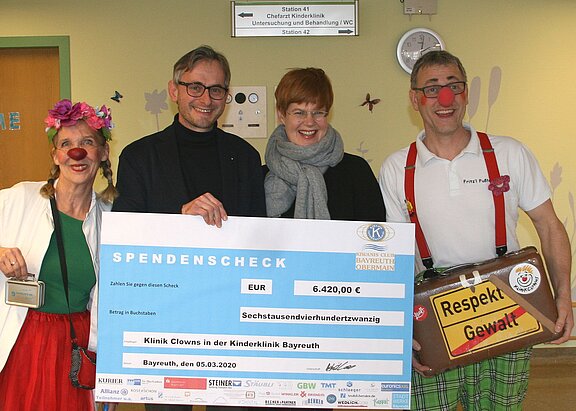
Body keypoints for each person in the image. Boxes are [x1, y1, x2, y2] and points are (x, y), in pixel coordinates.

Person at [378, 50, 573, 411]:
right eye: (432, 88)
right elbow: (394, 257)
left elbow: (548, 224)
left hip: (507, 306)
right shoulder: (395, 168)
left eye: (454, 86)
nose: (445, 98)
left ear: (465, 93)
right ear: (415, 99)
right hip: (433, 314)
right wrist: (399, 327)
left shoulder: (509, 152)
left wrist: (562, 295)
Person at [113, 45, 265, 411]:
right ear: (174, 90)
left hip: (231, 317)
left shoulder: (246, 157)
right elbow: (123, 236)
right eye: (195, 87)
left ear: (226, 95)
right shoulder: (138, 156)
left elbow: (257, 237)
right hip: (164, 317)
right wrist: (178, 218)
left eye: (216, 89)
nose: (206, 99)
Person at [0, 99, 118, 410]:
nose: (76, 153)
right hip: (22, 340)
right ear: (55, 155)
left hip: (76, 347)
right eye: (66, 144)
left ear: (103, 152)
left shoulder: (112, 218)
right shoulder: (20, 199)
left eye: (87, 142)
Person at [264, 67, 385, 222]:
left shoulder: (356, 172)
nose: (309, 122)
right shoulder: (259, 177)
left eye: (318, 112)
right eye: (299, 112)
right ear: (281, 115)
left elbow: (375, 232)